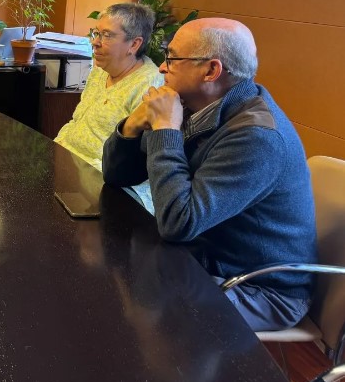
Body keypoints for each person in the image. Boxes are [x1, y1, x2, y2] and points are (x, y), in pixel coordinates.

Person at [102, 17, 317, 331]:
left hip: (258, 288)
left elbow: (179, 222)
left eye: (172, 59)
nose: (161, 68)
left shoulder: (257, 137)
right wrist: (133, 125)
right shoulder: (193, 105)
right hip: (200, 258)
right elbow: (118, 175)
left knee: (136, 311)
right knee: (112, 271)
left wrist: (165, 130)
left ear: (211, 70)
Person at [55, 3, 163, 170]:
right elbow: (77, 121)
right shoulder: (100, 70)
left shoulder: (150, 85)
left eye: (106, 35)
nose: (95, 42)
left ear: (134, 44)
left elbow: (134, 161)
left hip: (98, 175)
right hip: (67, 158)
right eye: (96, 33)